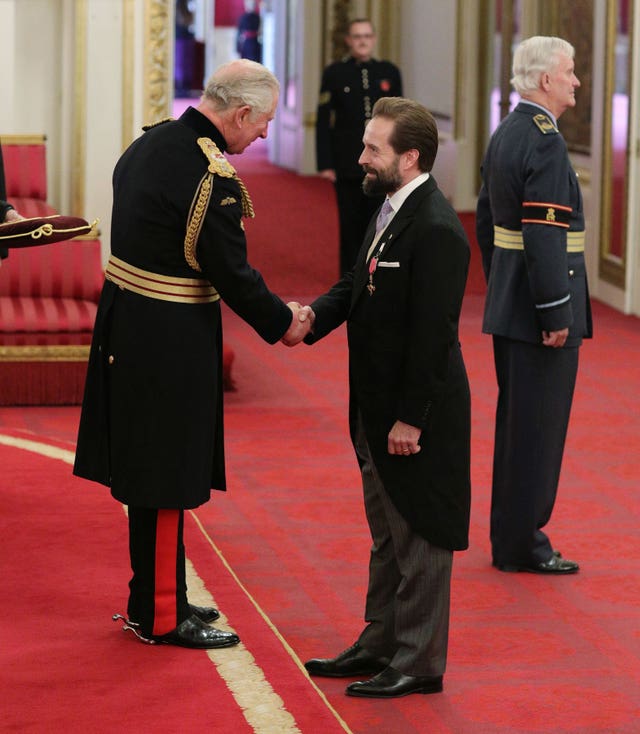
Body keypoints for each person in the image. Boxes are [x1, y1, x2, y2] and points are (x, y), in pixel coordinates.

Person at [73, 59, 310, 649]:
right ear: (240, 112)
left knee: (150, 470)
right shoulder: (210, 175)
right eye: (262, 124)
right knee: (165, 477)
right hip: (169, 340)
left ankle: (161, 594)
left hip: (129, 326)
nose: (261, 135)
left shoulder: (151, 144)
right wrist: (285, 323)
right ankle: (158, 615)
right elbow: (231, 270)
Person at [294, 97, 471, 698]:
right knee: (387, 534)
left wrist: (410, 420)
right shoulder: (392, 209)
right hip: (374, 411)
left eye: (373, 148)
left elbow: (434, 338)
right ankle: (380, 642)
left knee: (419, 535)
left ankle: (418, 662)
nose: (359, 157)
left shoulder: (439, 230)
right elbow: (358, 281)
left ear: (410, 156)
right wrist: (310, 318)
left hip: (411, 417)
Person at [476, 36, 592, 575]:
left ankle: (511, 538)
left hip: (511, 303)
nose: (575, 81)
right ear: (545, 80)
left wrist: (501, 284)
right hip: (539, 311)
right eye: (569, 72)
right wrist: (555, 312)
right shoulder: (544, 140)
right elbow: (545, 235)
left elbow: (485, 221)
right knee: (539, 431)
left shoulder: (508, 131)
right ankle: (525, 544)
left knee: (518, 426)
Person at [316, 18, 402, 275]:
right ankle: (350, 278)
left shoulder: (389, 72)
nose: (362, 41)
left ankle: (378, 273)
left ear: (373, 39)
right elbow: (323, 121)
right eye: (357, 36)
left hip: (383, 163)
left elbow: (401, 120)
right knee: (350, 224)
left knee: (381, 221)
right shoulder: (334, 74)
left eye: (366, 36)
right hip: (347, 163)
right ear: (349, 41)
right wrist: (325, 162)